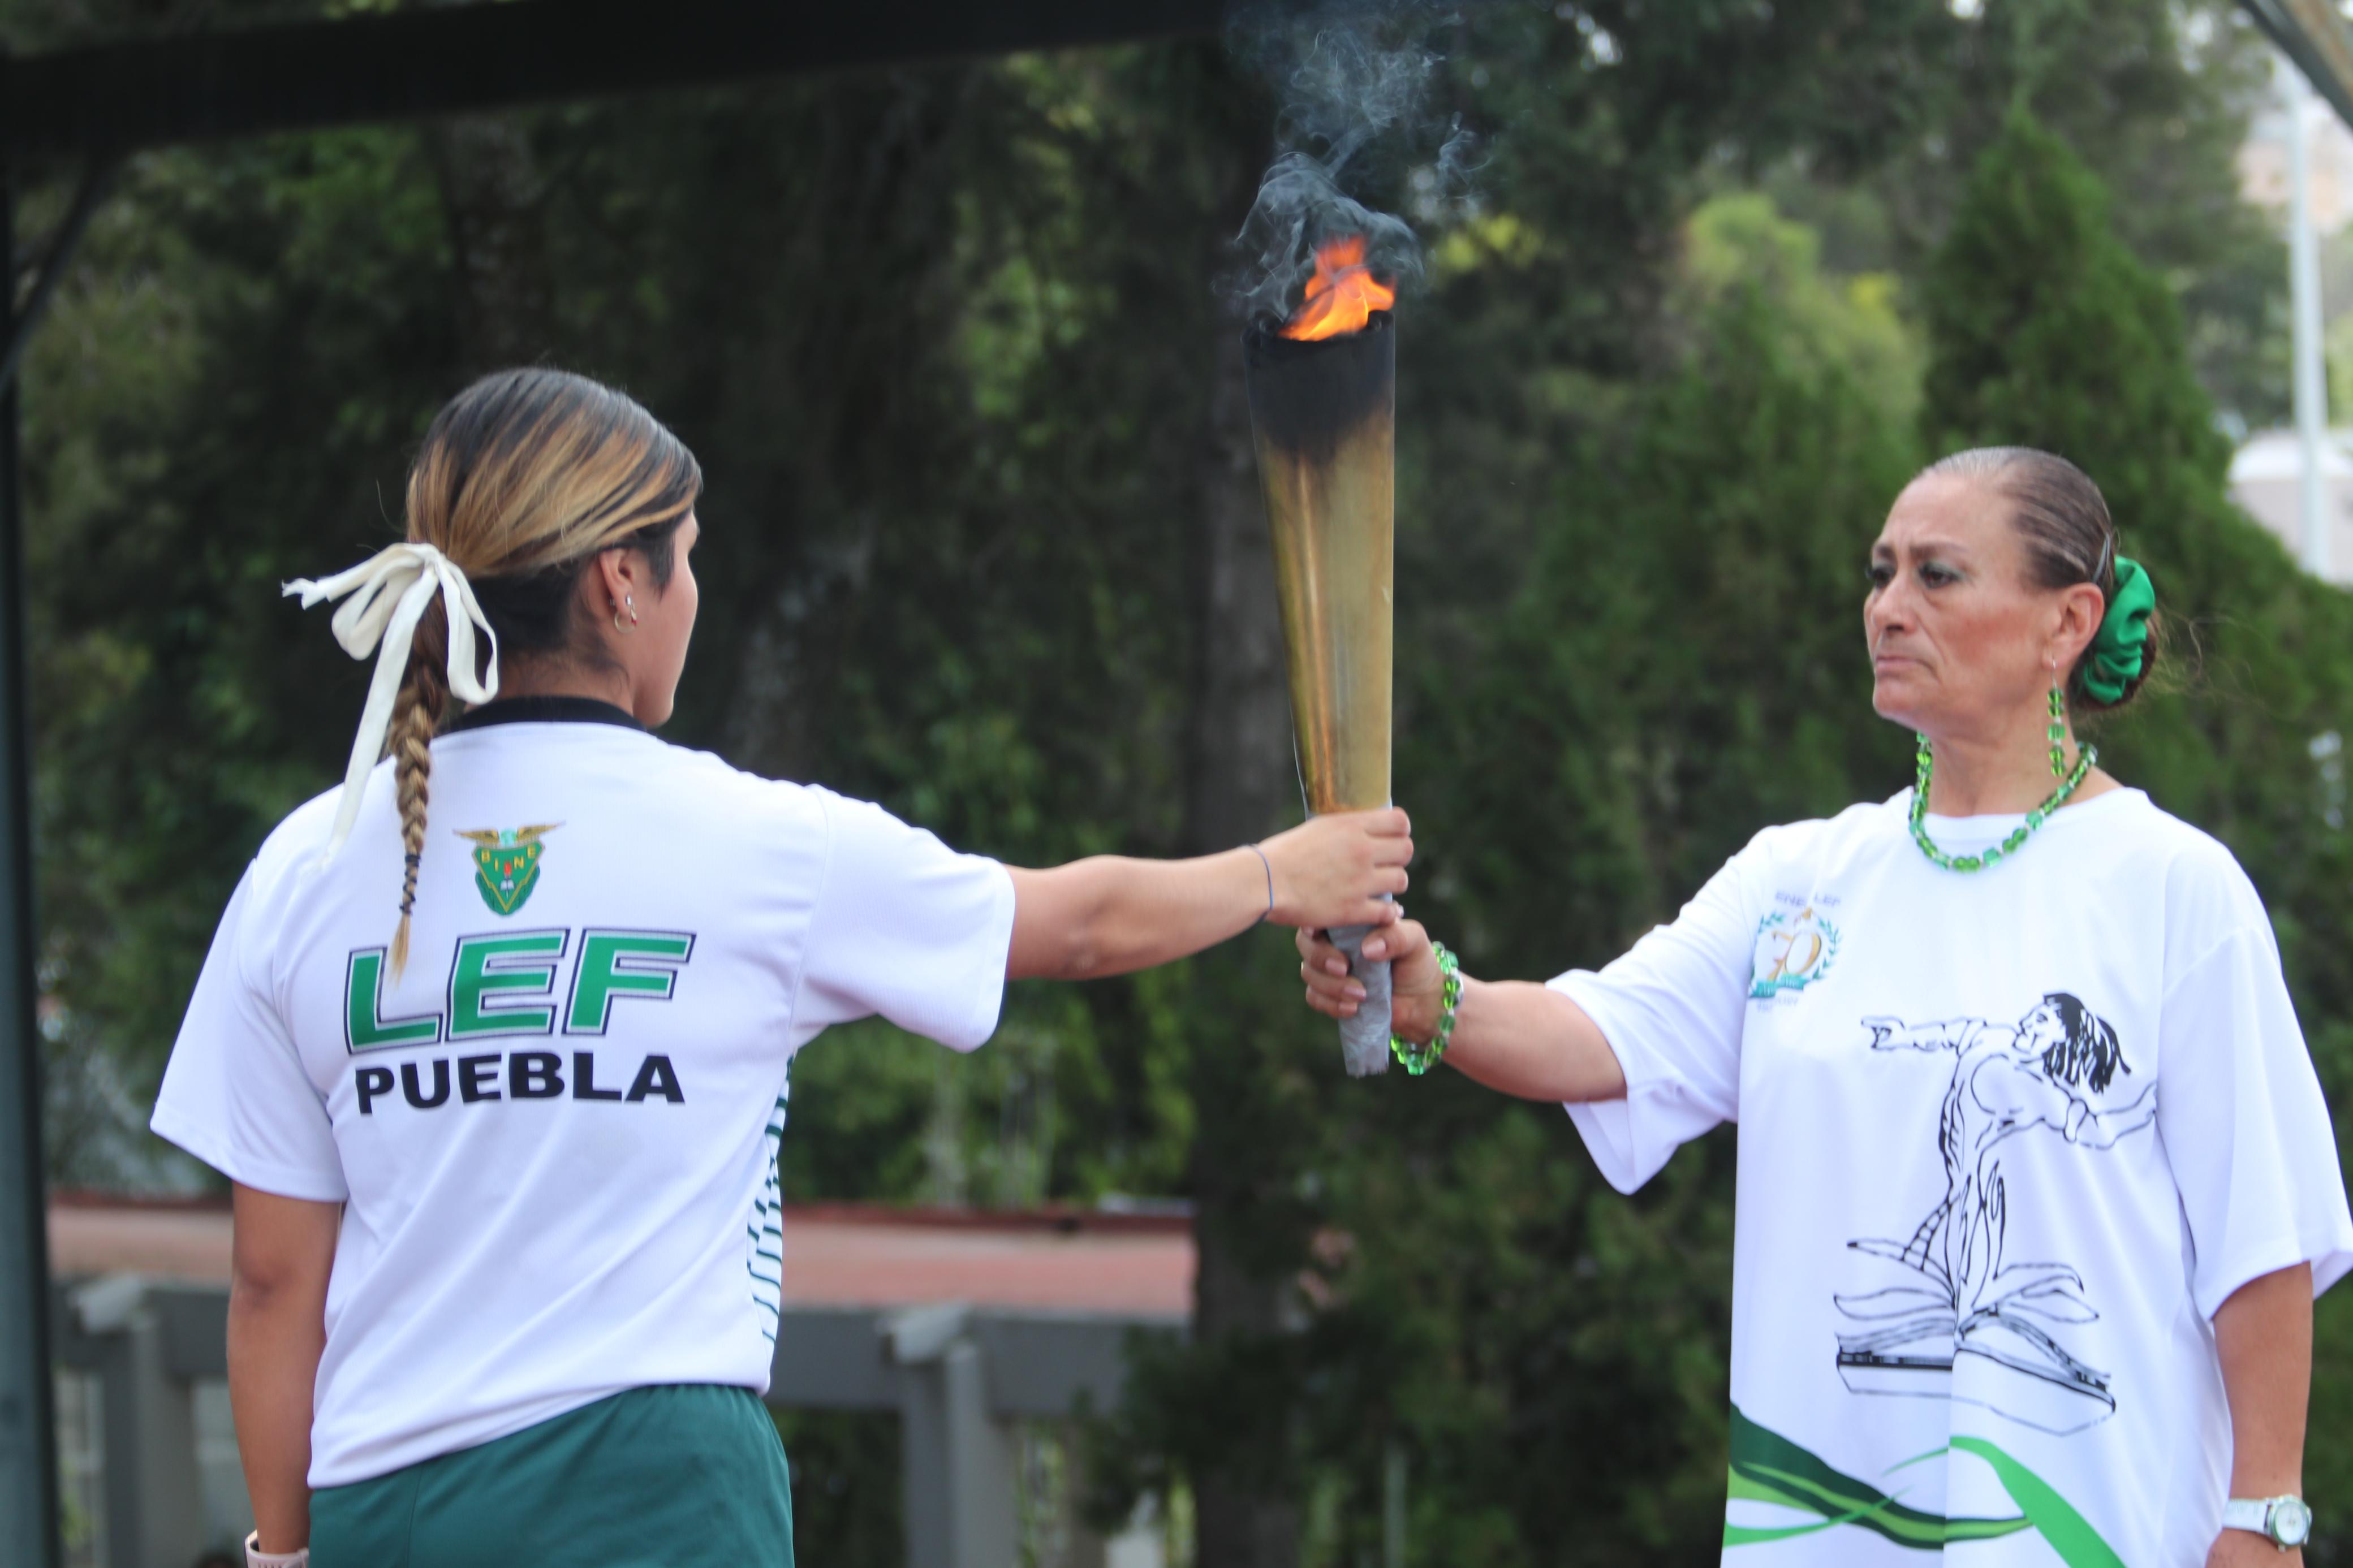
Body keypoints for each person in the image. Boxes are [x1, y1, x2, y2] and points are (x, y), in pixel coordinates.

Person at [149, 367, 1413, 1568]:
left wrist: (284, 1549)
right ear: (617, 585)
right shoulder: (761, 845)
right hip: (654, 1495)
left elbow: (271, 1283)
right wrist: (1273, 873)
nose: (695, 593)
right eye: (687, 558)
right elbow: (1067, 923)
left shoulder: (302, 869)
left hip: (387, 1504)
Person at [1302, 447, 2353, 1566]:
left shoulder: (2173, 890)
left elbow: (2261, 1240)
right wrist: (1433, 999)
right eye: (1880, 573)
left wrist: (2263, 1517)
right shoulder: (1796, 878)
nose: (1889, 609)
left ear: (2066, 624)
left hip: (2101, 1531)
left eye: (1937, 576)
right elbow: (1609, 1035)